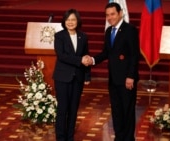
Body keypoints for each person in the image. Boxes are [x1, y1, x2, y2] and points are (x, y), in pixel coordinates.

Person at [84, 2, 140, 141]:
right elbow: (105, 53)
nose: (110, 17)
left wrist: (130, 76)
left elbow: (134, 55)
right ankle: (119, 137)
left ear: (120, 13)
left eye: (113, 14)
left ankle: (128, 138)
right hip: (113, 78)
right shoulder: (109, 31)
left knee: (127, 110)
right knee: (116, 110)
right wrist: (92, 60)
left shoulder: (130, 30)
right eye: (107, 15)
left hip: (127, 79)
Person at [52, 9, 91, 141]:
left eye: (73, 20)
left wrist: (87, 75)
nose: (70, 22)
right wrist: (79, 60)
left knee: (73, 109)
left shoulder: (83, 36)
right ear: (64, 21)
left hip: (78, 78)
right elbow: (61, 56)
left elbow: (86, 55)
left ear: (77, 21)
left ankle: (70, 137)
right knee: (63, 109)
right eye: (68, 20)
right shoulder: (59, 36)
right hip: (62, 78)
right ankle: (61, 138)